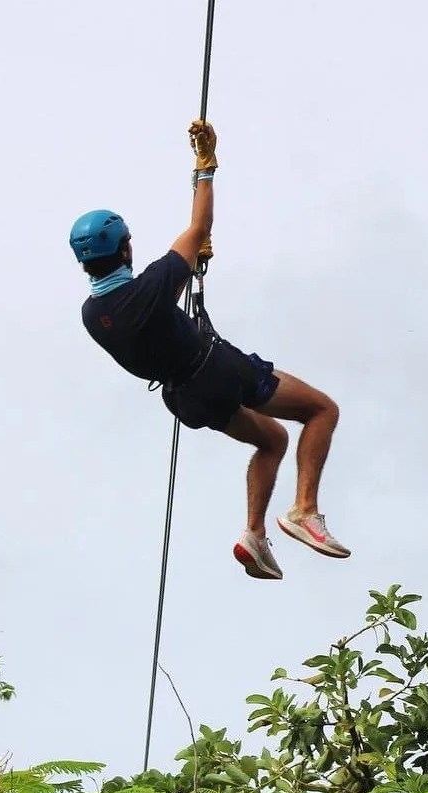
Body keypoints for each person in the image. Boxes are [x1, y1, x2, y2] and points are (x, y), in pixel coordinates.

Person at [70, 119, 348, 581]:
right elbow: (199, 225)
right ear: (123, 251)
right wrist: (205, 166)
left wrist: (189, 265)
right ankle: (304, 510)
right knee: (321, 411)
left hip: (185, 399)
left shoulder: (93, 314)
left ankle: (254, 536)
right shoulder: (150, 290)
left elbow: (155, 321)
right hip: (216, 370)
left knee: (272, 440)